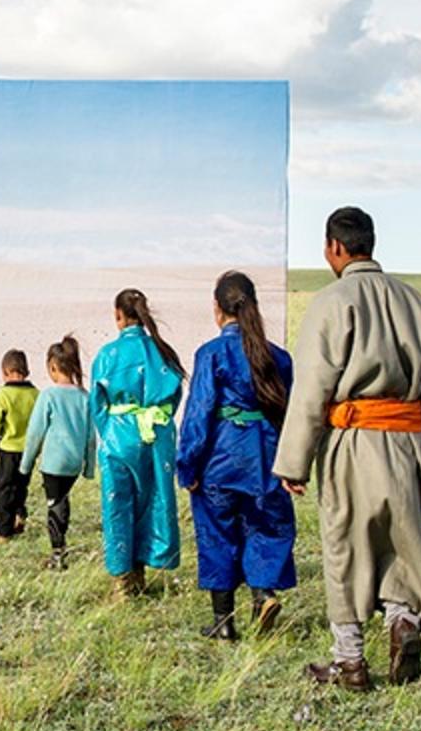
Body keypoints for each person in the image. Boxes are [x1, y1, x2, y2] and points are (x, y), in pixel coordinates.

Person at [274, 207, 421, 690]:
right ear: (371, 244)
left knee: (347, 548)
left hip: (353, 445)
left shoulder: (331, 302)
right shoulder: (414, 302)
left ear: (334, 247)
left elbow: (312, 387)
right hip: (411, 443)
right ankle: (402, 622)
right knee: (402, 541)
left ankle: (350, 662)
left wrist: (294, 461)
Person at [177, 271, 296, 642]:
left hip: (221, 459)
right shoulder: (278, 357)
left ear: (217, 308)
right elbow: (290, 413)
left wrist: (188, 466)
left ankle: (223, 622)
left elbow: (198, 413)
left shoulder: (211, 354)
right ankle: (262, 595)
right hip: (266, 455)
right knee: (264, 526)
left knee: (217, 533)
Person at [90, 289, 185, 594]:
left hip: (119, 437)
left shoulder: (107, 355)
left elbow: (97, 403)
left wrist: (112, 431)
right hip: (156, 437)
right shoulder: (163, 352)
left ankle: (123, 580)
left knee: (118, 503)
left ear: (118, 316)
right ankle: (142, 570)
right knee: (152, 499)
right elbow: (175, 396)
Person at [19, 335, 96, 569]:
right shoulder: (85, 397)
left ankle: (57, 553)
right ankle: (60, 546)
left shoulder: (49, 396)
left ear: (53, 367)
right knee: (62, 499)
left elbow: (35, 433)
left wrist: (26, 464)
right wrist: (89, 467)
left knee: (54, 503)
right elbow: (91, 437)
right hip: (73, 463)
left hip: (53, 462)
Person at [0, 348, 39, 541]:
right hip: (29, 449)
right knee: (21, 485)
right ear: (26, 371)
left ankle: (4, 530)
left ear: (5, 372)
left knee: (4, 489)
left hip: (9, 448)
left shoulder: (3, 395)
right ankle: (20, 514)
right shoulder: (35, 394)